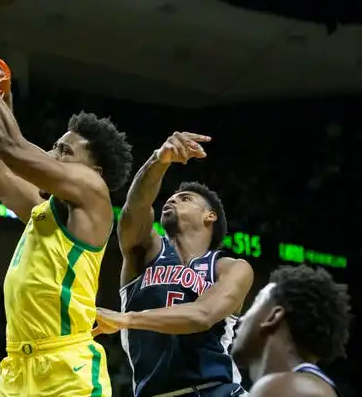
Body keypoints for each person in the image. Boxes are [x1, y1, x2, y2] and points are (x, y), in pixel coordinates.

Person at [0, 36, 133, 397]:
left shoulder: (93, 192)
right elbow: (3, 176)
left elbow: (11, 147)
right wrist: (1, 99)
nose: (51, 154)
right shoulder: (49, 209)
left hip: (66, 367)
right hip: (17, 368)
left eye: (63, 150)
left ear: (93, 168)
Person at [93, 132, 254, 397]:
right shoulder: (144, 253)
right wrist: (159, 160)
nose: (172, 199)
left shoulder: (230, 267)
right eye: (172, 197)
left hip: (217, 390)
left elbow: (203, 315)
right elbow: (135, 208)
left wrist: (127, 319)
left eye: (186, 198)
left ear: (209, 216)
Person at [230, 265, 351, 397]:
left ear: (273, 316)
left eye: (255, 302)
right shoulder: (305, 385)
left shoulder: (290, 388)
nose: (242, 319)